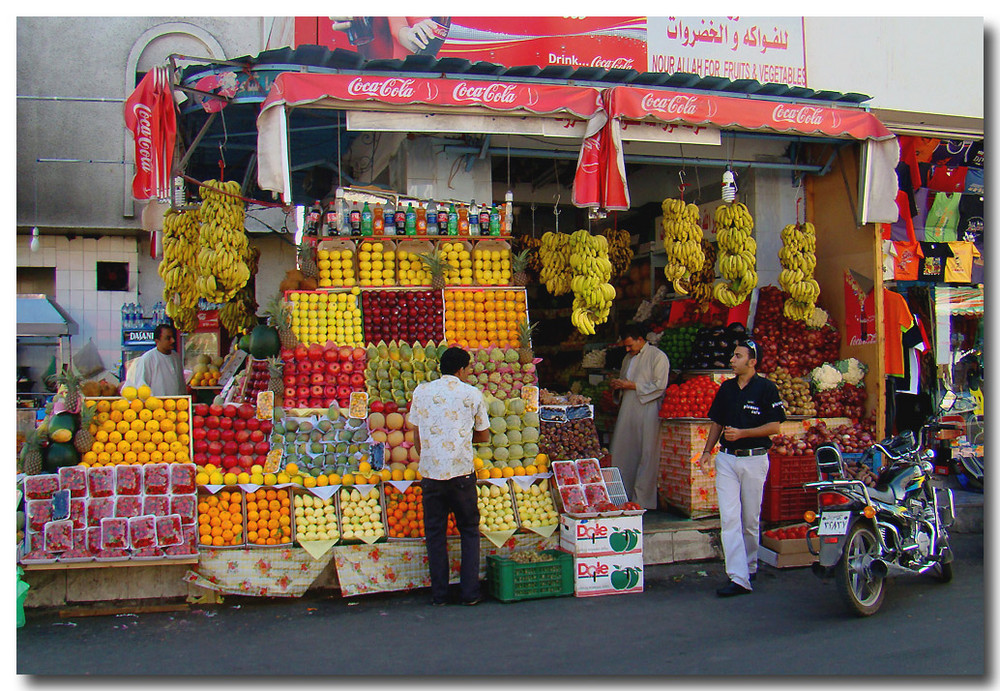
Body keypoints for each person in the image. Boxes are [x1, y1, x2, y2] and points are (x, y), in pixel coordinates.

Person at [700, 338, 786, 597]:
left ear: (752, 361)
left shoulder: (766, 389)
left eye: (737, 356)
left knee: (750, 519)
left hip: (754, 459)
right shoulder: (726, 388)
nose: (731, 360)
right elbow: (717, 421)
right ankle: (738, 577)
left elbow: (775, 427)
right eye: (733, 356)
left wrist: (744, 433)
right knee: (729, 518)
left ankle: (749, 564)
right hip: (726, 459)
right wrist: (707, 451)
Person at [408, 347, 490, 606]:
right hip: (461, 475)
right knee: (468, 530)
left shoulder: (421, 391)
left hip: (431, 475)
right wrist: (463, 437)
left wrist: (429, 453)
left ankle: (439, 595)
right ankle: (469, 593)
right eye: (468, 369)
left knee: (435, 533)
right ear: (461, 370)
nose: (469, 374)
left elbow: (417, 436)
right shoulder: (472, 394)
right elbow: (484, 436)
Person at [609, 324, 671, 510]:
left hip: (648, 408)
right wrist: (619, 386)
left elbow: (660, 386)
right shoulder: (628, 359)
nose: (628, 350)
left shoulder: (657, 357)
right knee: (623, 450)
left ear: (641, 340)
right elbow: (625, 382)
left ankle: (641, 499)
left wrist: (633, 386)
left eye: (630, 345)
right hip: (628, 408)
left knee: (646, 452)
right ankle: (620, 495)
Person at [122, 324, 187, 397]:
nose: (173, 341)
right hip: (156, 405)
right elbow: (141, 386)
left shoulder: (176, 357)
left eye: (173, 337)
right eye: (168, 338)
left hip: (177, 404)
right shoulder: (148, 358)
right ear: (157, 341)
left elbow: (181, 384)